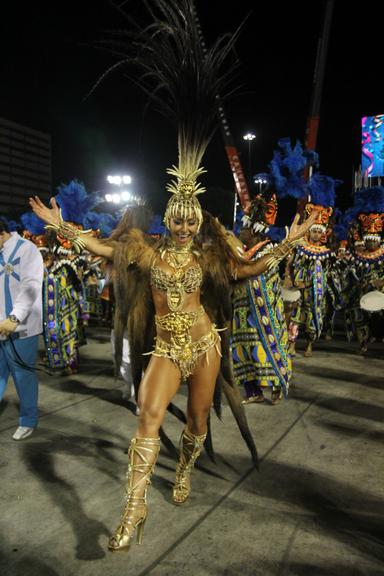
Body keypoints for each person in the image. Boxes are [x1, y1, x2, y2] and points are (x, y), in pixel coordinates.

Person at [30, 0, 318, 555]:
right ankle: (133, 508)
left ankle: (184, 466)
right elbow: (100, 245)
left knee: (198, 423)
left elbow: (248, 268)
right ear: (167, 215)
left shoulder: (210, 253)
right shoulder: (144, 250)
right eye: (176, 214)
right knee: (148, 413)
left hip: (206, 345)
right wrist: (62, 224)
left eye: (192, 215)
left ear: (198, 217)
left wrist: (294, 242)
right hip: (165, 348)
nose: (185, 223)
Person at [0, 220, 44, 440]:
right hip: (0, 327)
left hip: (21, 329)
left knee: (22, 376)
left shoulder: (27, 250)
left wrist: (14, 317)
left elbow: (31, 286)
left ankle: (28, 420)